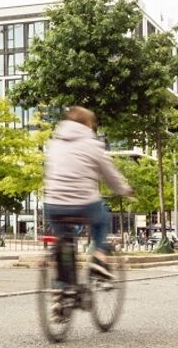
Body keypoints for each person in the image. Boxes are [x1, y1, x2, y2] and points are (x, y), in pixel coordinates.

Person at [43, 107, 133, 285]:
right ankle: (99, 258)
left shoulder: (54, 143)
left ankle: (61, 290)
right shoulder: (92, 144)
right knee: (103, 217)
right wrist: (124, 190)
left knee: (64, 240)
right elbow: (111, 176)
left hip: (53, 204)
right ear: (88, 124)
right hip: (84, 203)